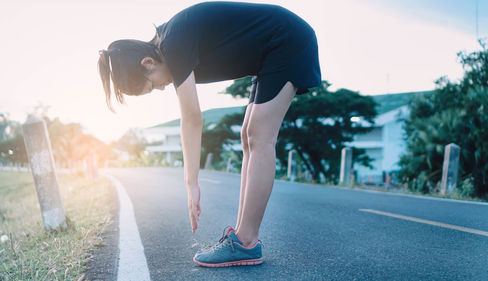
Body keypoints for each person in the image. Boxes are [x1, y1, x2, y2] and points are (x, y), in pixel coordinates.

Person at [97, 1, 321, 267]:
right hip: (272, 49)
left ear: (147, 63)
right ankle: (240, 237)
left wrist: (191, 183)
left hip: (288, 40)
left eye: (152, 84)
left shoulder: (173, 44)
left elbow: (191, 118)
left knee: (260, 137)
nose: (161, 88)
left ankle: (247, 242)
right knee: (249, 136)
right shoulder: (169, 43)